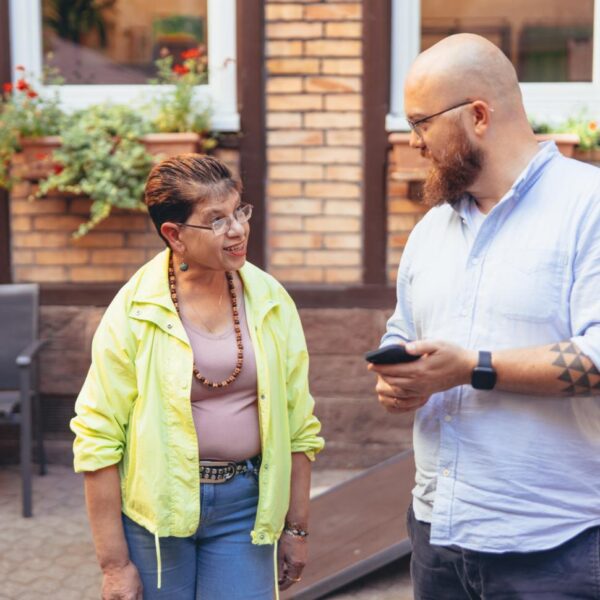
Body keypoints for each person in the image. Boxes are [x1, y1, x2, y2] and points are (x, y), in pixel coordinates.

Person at [369, 34, 600, 599]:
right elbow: (405, 329)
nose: (412, 141)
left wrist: (469, 367)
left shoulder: (588, 207)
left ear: (477, 115)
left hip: (556, 548)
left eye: (421, 122)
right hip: (436, 537)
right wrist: (398, 376)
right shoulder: (432, 230)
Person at [71, 154, 324, 599]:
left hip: (245, 509)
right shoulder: (134, 310)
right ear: (175, 234)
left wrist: (296, 529)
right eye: (217, 220)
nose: (238, 229)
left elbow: (300, 425)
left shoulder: (269, 299)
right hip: (157, 514)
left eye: (239, 211)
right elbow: (97, 437)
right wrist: (114, 564)